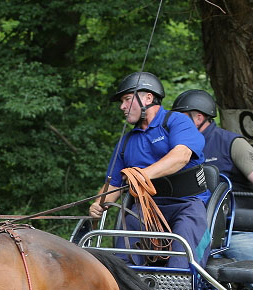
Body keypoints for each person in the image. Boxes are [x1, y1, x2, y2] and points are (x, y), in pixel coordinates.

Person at [89, 71, 210, 269]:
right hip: (147, 208)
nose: (122, 106)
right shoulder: (127, 141)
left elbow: (181, 156)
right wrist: (98, 204)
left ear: (148, 97)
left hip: (187, 204)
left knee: (182, 257)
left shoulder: (176, 121)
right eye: (122, 101)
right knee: (123, 255)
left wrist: (143, 175)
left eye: (127, 99)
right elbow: (113, 184)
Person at [170, 89, 253, 262]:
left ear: (198, 118)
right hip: (195, 229)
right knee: (187, 283)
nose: (175, 123)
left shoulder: (231, 143)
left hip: (239, 228)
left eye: (181, 118)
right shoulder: (175, 148)